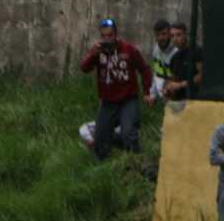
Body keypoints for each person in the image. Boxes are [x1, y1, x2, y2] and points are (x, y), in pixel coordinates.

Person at [79, 17, 154, 160]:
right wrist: (92, 55)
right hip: (108, 101)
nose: (107, 39)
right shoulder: (98, 51)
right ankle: (102, 164)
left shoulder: (128, 49)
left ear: (116, 34)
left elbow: (144, 69)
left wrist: (147, 92)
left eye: (110, 35)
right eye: (104, 36)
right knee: (100, 137)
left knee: (128, 133)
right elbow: (84, 68)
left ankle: (136, 161)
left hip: (128, 99)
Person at [165, 21, 203, 102]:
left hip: (195, 100)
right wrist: (169, 89)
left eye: (178, 35)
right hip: (178, 103)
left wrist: (181, 85)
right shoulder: (174, 57)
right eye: (172, 36)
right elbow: (173, 79)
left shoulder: (196, 51)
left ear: (186, 35)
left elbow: (203, 75)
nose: (175, 39)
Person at [148, 18, 176, 101]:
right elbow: (157, 74)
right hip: (164, 97)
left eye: (163, 34)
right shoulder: (156, 49)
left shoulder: (177, 52)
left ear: (170, 34)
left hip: (176, 97)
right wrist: (152, 95)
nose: (160, 38)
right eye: (157, 35)